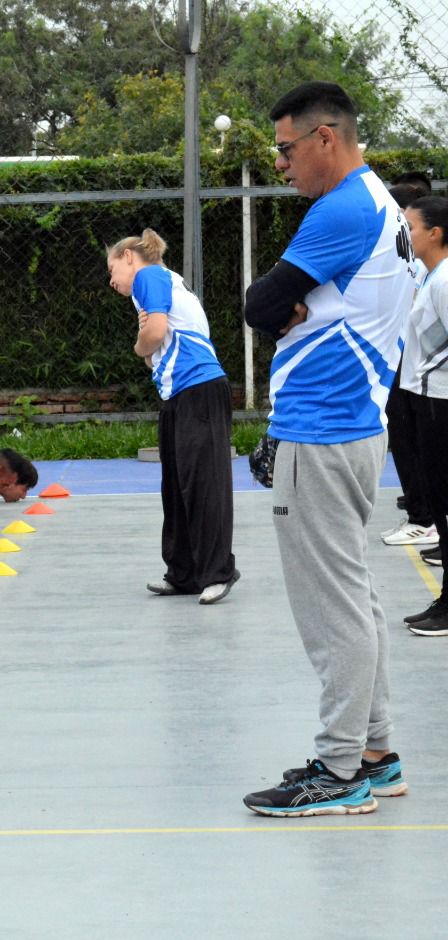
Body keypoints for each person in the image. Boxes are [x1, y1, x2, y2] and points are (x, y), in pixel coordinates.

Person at [240, 82, 412, 816]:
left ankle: (339, 770)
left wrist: (283, 308)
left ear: (325, 139)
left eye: (284, 149)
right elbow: (275, 305)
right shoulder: (376, 202)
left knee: (332, 607)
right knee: (355, 598)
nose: (281, 164)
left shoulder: (341, 208)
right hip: (351, 424)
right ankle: (374, 755)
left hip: (325, 426)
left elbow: (257, 304)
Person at [106, 228, 240, 605]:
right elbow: (155, 352)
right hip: (178, 395)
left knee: (203, 485)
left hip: (200, 389)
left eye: (112, 268)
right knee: (177, 486)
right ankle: (182, 573)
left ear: (130, 257)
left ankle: (218, 571)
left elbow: (152, 338)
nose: (111, 280)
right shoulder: (160, 287)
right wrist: (146, 341)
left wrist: (139, 342)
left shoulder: (149, 277)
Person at [394, 195, 448, 635]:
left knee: (445, 506)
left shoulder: (446, 279)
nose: (406, 236)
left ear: (435, 233)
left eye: (410, 228)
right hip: (426, 401)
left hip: (440, 405)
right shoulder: (433, 277)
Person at [380, 179, 439, 551]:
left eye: (408, 223)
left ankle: (425, 518)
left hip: (424, 376)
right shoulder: (416, 265)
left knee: (420, 445)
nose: (403, 230)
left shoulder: (439, 275)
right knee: (407, 441)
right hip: (409, 366)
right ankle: (423, 514)